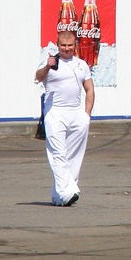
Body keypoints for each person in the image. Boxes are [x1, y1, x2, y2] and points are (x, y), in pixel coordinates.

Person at [34, 30, 95, 206]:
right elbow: (38, 78)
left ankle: (59, 195)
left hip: (77, 113)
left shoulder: (81, 64)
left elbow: (89, 89)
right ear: (57, 45)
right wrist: (47, 66)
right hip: (55, 112)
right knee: (58, 153)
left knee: (74, 155)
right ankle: (69, 191)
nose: (66, 49)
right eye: (63, 46)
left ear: (74, 45)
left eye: (69, 46)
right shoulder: (50, 61)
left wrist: (87, 114)